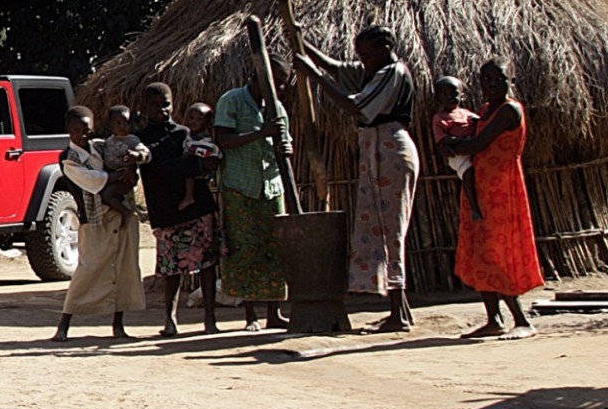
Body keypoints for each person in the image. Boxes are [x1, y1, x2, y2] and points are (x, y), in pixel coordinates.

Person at [295, 24, 420, 331]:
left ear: (384, 49)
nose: (363, 61)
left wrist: (313, 76)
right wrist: (301, 42)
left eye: (367, 55)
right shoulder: (373, 70)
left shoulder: (392, 73)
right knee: (379, 224)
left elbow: (356, 107)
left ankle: (397, 313)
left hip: (390, 149)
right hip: (375, 150)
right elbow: (336, 68)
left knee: (391, 229)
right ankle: (399, 309)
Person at [441, 61, 544, 338]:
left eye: (496, 78)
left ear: (509, 79)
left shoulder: (510, 110)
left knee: (500, 250)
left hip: (502, 187)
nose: (491, 84)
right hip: (482, 186)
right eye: (485, 79)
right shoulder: (486, 110)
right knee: (482, 249)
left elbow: (478, 143)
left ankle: (522, 320)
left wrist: (448, 145)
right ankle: (493, 319)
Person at [53, 106, 142, 341]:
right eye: (76, 130)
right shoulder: (68, 159)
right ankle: (64, 324)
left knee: (122, 269)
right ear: (68, 131)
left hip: (118, 214)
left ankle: (118, 325)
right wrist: (120, 176)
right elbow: (94, 181)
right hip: (94, 219)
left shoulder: (101, 148)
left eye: (86, 130)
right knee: (88, 270)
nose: (82, 135)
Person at [213, 56, 288, 330]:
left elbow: (284, 141)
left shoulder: (276, 108)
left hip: (270, 187)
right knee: (244, 251)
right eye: (275, 83)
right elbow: (223, 139)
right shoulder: (231, 100)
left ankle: (274, 312)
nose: (279, 89)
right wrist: (260, 133)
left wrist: (283, 147)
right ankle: (250, 315)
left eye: (282, 85)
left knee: (274, 249)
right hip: (240, 186)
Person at [137, 83, 217, 336]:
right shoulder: (141, 140)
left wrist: (197, 166)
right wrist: (195, 167)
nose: (162, 109)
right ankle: (169, 320)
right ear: (145, 107)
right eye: (155, 105)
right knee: (171, 269)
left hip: (197, 207)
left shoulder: (185, 133)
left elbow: (206, 160)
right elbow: (161, 168)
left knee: (206, 263)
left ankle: (210, 319)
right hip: (166, 210)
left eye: (166, 104)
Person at [431, 77, 483, 222]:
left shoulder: (466, 113)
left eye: (454, 94)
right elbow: (442, 139)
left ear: (462, 95)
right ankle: (474, 208)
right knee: (468, 173)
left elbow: (482, 122)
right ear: (438, 98)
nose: (450, 98)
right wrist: (462, 142)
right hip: (457, 154)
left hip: (472, 148)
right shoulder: (440, 118)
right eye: (445, 95)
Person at [96, 106, 149, 226]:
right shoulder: (108, 142)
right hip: (111, 176)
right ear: (110, 124)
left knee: (107, 194)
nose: (123, 126)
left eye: (126, 122)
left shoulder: (132, 140)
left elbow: (145, 153)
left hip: (125, 178)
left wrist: (137, 155)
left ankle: (126, 212)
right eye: (119, 123)